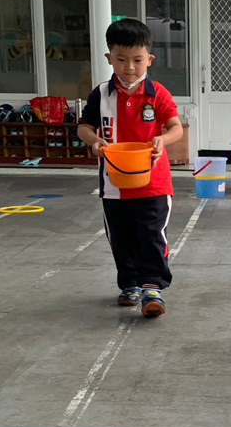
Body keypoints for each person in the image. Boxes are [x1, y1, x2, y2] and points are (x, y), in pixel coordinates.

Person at [78, 18, 183, 318]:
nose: (129, 67)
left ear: (150, 59)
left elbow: (175, 127)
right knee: (120, 237)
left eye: (137, 60)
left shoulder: (157, 93)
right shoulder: (101, 94)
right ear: (109, 58)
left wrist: (162, 140)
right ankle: (130, 284)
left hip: (153, 183)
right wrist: (95, 141)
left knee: (151, 234)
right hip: (114, 182)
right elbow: (84, 127)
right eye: (121, 59)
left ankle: (153, 287)